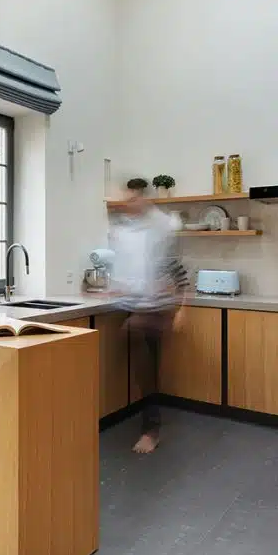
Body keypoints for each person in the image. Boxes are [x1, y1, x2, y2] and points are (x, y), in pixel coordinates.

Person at [109, 177, 189, 454]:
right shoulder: (130, 232)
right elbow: (128, 272)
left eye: (134, 199)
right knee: (145, 370)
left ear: (144, 199)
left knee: (141, 354)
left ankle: (151, 431)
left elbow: (180, 275)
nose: (129, 204)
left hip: (157, 311)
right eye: (127, 199)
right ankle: (149, 425)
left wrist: (182, 311)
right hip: (140, 307)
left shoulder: (161, 232)